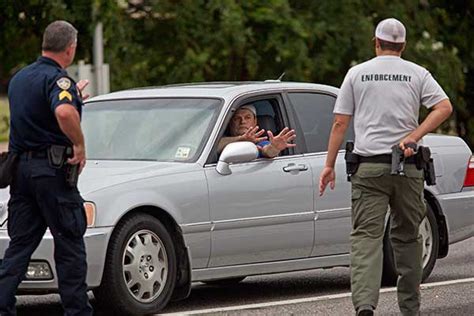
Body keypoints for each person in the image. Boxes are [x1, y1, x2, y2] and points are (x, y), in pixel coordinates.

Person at [319, 18, 452, 316]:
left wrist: (328, 165)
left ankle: (365, 307)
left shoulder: (357, 73)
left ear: (376, 43)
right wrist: (413, 137)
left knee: (366, 238)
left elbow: (341, 122)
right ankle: (410, 309)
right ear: (403, 46)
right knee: (407, 237)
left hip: (368, 170)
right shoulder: (418, 73)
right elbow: (444, 107)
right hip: (407, 167)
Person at [0, 21, 92, 315]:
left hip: (22, 174)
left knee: (20, 246)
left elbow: (43, 110)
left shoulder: (20, 78)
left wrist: (74, 98)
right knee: (69, 243)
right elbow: (63, 111)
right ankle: (77, 311)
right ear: (70, 48)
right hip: (52, 173)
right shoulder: (58, 80)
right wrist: (79, 144)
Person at [217, 104, 296, 158]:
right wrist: (241, 139)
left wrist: (274, 148)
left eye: (247, 117)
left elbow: (267, 151)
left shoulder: (260, 141)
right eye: (237, 118)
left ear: (255, 121)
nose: (242, 121)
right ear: (230, 123)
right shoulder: (220, 138)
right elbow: (213, 147)